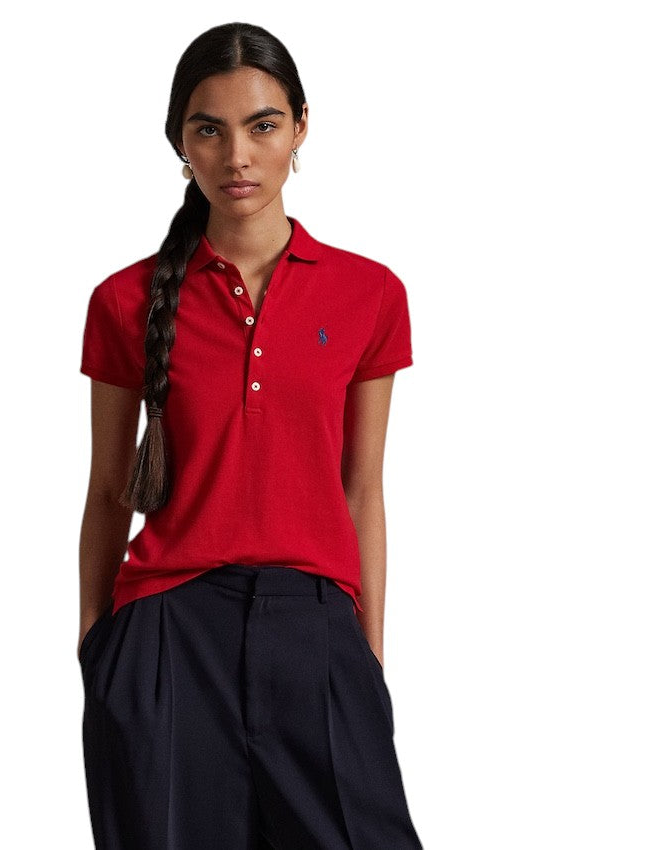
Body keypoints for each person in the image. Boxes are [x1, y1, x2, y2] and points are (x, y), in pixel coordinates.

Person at [77, 21, 424, 850]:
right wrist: (97, 647)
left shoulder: (370, 294)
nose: (237, 155)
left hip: (316, 628)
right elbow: (107, 491)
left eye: (262, 125)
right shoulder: (124, 301)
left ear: (301, 127)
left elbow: (362, 487)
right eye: (210, 129)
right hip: (167, 635)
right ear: (180, 142)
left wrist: (367, 653)